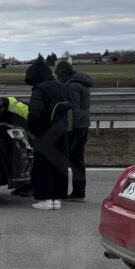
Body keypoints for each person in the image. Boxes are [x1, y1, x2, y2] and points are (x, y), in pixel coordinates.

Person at [25, 59, 72, 210]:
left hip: (45, 132)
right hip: (62, 131)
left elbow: (35, 112)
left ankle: (45, 199)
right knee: (59, 164)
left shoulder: (40, 89)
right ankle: (57, 199)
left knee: (43, 165)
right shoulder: (62, 87)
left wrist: (32, 128)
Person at [55, 61, 94, 202]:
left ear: (63, 74)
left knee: (70, 159)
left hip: (75, 128)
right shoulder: (81, 82)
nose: (57, 79)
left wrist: (66, 128)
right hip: (83, 126)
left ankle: (76, 192)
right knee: (77, 159)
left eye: (58, 76)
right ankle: (79, 191)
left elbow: (72, 110)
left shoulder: (72, 86)